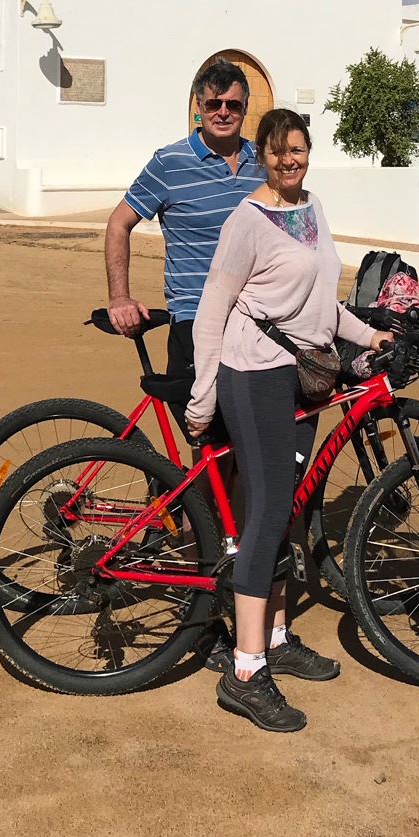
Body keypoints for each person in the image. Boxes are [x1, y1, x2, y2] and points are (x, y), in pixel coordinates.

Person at [186, 108, 389, 733]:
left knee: (291, 508)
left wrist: (369, 334)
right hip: (254, 375)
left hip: (302, 372)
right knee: (269, 511)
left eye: (297, 149)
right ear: (263, 157)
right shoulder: (246, 221)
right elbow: (212, 308)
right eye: (277, 152)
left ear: (308, 151)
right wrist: (203, 394)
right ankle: (245, 670)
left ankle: (275, 637)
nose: (289, 160)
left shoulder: (313, 209)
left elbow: (320, 301)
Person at [104, 57, 266, 666]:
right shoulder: (171, 160)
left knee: (250, 461)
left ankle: (241, 583)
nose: (223, 112)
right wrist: (121, 297)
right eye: (213, 103)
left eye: (233, 104)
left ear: (243, 109)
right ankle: (214, 609)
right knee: (215, 467)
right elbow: (119, 223)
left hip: (259, 332)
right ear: (198, 104)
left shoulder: (261, 161)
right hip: (197, 330)